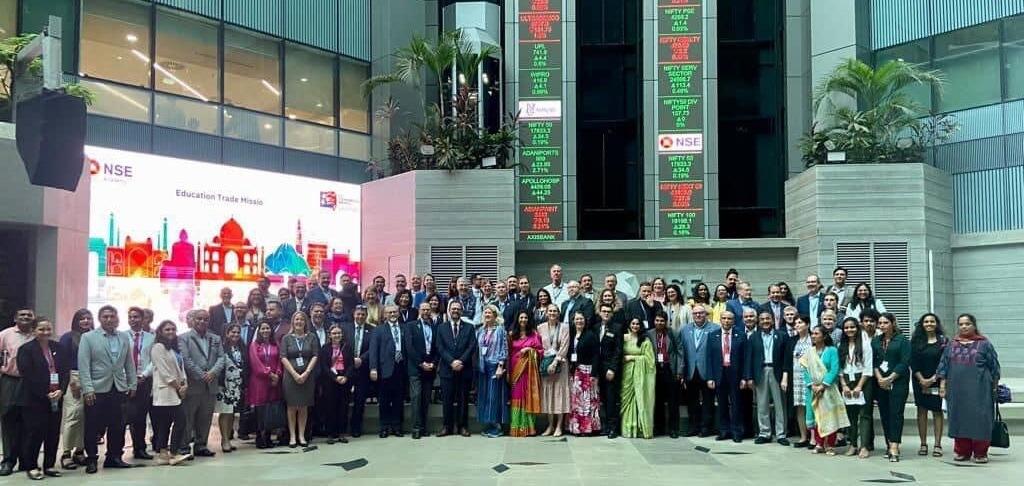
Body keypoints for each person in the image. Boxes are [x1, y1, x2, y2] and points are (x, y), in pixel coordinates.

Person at [78, 306, 137, 473]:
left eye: (112, 316)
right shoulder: (88, 337)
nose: (109, 319)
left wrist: (132, 384)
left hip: (118, 387)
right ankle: (92, 459)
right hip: (96, 388)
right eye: (105, 317)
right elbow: (84, 365)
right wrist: (87, 389)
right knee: (93, 426)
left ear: (117, 318)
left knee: (117, 424)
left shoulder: (124, 337)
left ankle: (113, 457)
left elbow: (129, 363)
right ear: (100, 319)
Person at [937, 313, 1001, 464]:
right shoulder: (951, 344)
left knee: (980, 418)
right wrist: (942, 386)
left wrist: (994, 388)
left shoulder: (984, 344)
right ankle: (962, 451)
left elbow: (994, 367)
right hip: (956, 390)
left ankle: (980, 452)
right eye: (961, 324)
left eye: (967, 324)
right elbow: (943, 366)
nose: (964, 327)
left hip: (980, 389)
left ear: (974, 325)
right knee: (959, 418)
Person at [16, 317, 68, 479]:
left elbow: (65, 372)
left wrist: (61, 390)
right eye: (41, 329)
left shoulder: (58, 347)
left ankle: (49, 465)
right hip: (34, 399)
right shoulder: (26, 349)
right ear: (33, 331)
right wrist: (45, 392)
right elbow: (27, 375)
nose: (45, 332)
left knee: (53, 433)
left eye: (48, 329)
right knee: (34, 433)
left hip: (56, 398)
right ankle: (31, 466)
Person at [173, 309, 224, 458]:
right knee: (188, 416)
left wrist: (213, 373)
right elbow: (185, 359)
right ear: (193, 320)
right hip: (193, 384)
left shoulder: (215, 338)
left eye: (206, 319)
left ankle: (201, 445)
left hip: (211, 385)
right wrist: (202, 375)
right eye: (199, 319)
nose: (202, 322)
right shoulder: (183, 338)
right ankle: (183, 446)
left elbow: (222, 357)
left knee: (206, 416)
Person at [148, 320, 191, 466]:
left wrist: (184, 384)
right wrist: (179, 387)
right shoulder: (158, 348)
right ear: (160, 332)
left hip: (177, 389)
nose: (171, 332)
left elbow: (181, 369)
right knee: (180, 420)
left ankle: (163, 454)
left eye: (173, 329)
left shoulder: (174, 349)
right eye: (167, 329)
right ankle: (174, 452)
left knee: (165, 423)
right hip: (166, 391)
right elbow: (165, 373)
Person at [744, 311, 790, 446]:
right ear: (759, 321)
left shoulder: (782, 336)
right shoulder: (754, 337)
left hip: (777, 372)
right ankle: (764, 433)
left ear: (772, 320)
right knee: (762, 404)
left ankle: (781, 434)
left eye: (768, 318)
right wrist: (749, 377)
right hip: (760, 371)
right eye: (762, 319)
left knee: (779, 404)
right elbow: (749, 358)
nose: (765, 321)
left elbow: (786, 358)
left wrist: (785, 376)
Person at [800, 325, 848, 455]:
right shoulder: (809, 352)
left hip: (828, 389)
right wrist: (813, 386)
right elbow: (804, 368)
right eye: (812, 334)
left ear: (824, 336)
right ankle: (819, 443)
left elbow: (834, 369)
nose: (813, 336)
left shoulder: (832, 350)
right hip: (813, 390)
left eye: (816, 333)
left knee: (830, 416)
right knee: (816, 416)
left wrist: (823, 385)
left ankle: (831, 445)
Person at [0, 307, 36, 476]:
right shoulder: (5, 335)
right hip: (10, 380)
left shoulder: (37, 335)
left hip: (31, 383)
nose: (26, 317)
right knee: (8, 419)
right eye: (22, 315)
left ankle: (26, 460)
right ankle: (8, 460)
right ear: (15, 318)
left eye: (29, 315)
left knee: (28, 421)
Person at [872, 312, 910, 462]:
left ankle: (895, 445)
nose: (882, 326)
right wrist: (880, 378)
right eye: (880, 323)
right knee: (885, 414)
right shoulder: (876, 341)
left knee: (896, 413)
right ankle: (889, 442)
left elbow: (905, 361)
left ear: (893, 323)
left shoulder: (902, 340)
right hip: (880, 382)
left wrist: (890, 378)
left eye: (885, 323)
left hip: (898, 381)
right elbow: (874, 362)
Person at [58, 309, 92, 470]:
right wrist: (71, 382)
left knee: (86, 418)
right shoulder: (67, 338)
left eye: (88, 318)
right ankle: (65, 453)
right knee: (73, 415)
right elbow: (62, 363)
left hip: (92, 378)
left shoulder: (94, 336)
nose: (86, 321)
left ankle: (79, 451)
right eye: (82, 318)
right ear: (76, 321)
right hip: (73, 378)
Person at [437, 301, 476, 437]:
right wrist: (452, 361)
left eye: (458, 309)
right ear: (449, 310)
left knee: (463, 399)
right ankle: (446, 427)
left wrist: (460, 361)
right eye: (453, 308)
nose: (455, 311)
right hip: (447, 370)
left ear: (462, 311)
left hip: (464, 369)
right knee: (447, 400)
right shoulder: (441, 328)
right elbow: (440, 347)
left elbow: (472, 346)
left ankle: (462, 426)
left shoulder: (470, 328)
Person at [910, 313, 946, 458]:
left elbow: (945, 362)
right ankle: (923, 444)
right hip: (919, 380)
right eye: (926, 321)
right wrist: (922, 380)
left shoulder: (943, 341)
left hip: (937, 380)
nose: (929, 324)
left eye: (932, 321)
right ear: (922, 324)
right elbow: (912, 362)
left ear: (936, 323)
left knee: (937, 412)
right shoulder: (915, 341)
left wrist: (932, 379)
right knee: (922, 411)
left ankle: (937, 445)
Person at [281, 311, 319, 446]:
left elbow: (315, 355)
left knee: (303, 406)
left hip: (307, 377)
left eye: (302, 319)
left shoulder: (312, 337)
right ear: (293, 322)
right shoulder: (286, 338)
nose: (299, 322)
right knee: (291, 407)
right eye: (296, 319)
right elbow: (283, 357)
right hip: (291, 378)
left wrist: (307, 372)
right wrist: (295, 374)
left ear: (305, 322)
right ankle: (292, 436)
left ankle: (302, 435)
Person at [707, 311, 746, 442]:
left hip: (735, 374)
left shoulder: (741, 336)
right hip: (719, 373)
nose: (726, 321)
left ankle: (736, 431)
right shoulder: (712, 335)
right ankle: (724, 430)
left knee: (736, 404)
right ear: (720, 320)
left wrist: (744, 378)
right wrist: (710, 377)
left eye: (729, 319)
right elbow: (709, 358)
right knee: (722, 403)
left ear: (734, 321)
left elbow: (745, 358)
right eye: (724, 318)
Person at [680, 304, 719, 437]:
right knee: (692, 402)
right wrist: (682, 372)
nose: (698, 315)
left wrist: (714, 374)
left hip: (708, 371)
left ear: (706, 314)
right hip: (691, 371)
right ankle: (693, 427)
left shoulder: (715, 329)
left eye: (701, 313)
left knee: (708, 401)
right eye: (695, 313)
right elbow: (682, 352)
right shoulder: (685, 329)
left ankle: (706, 428)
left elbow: (716, 353)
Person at [837, 316, 873, 457]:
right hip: (847, 380)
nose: (849, 330)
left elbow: (868, 368)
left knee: (864, 414)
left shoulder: (865, 344)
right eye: (846, 328)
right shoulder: (842, 346)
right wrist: (844, 385)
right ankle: (853, 444)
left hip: (863, 380)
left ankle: (864, 446)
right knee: (850, 415)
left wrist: (859, 386)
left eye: (852, 327)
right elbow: (840, 368)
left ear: (857, 328)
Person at [369, 305, 405, 438]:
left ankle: (396, 426)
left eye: (395, 312)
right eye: (390, 312)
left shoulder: (404, 328)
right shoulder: (379, 330)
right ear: (385, 315)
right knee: (384, 401)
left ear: (399, 313)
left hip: (401, 368)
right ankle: (384, 427)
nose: (392, 314)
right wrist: (373, 368)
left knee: (398, 400)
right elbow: (373, 351)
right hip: (385, 369)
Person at [247, 320, 283, 449]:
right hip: (259, 382)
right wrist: (269, 374)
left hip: (274, 383)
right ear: (259, 330)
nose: (265, 331)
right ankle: (259, 437)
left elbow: (280, 360)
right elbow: (255, 363)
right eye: (262, 328)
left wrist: (277, 374)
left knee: (271, 408)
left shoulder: (275, 344)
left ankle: (268, 437)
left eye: (267, 328)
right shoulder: (254, 345)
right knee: (260, 410)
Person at [125, 307, 155, 461]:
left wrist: (143, 375)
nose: (133, 320)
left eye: (136, 317)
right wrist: (128, 377)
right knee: (127, 416)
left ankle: (140, 449)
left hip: (144, 380)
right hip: (125, 382)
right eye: (130, 317)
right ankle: (116, 450)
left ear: (143, 319)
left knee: (140, 417)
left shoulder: (151, 337)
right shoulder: (122, 336)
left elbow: (153, 359)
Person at [647, 310, 682, 438]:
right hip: (655, 370)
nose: (659, 323)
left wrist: (679, 371)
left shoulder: (673, 333)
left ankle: (674, 429)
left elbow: (680, 352)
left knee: (673, 402)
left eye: (662, 321)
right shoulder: (649, 334)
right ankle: (659, 428)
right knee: (657, 401)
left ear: (666, 322)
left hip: (670, 369)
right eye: (657, 320)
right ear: (654, 321)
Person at [475, 305, 509, 438]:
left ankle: (497, 426)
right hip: (483, 367)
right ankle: (488, 424)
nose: (487, 315)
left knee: (494, 397)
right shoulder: (481, 330)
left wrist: (501, 365)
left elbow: (504, 348)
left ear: (495, 315)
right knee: (485, 396)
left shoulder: (500, 330)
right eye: (485, 313)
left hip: (495, 366)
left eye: (490, 313)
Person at [508, 311, 543, 437]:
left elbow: (540, 351)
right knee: (516, 396)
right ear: (517, 319)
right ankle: (516, 427)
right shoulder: (512, 335)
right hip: (515, 369)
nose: (523, 319)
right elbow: (508, 352)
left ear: (529, 319)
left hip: (529, 371)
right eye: (521, 317)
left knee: (527, 397)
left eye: (525, 317)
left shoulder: (534, 334)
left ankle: (529, 428)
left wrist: (529, 349)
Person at [405, 303, 436, 439]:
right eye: (423, 309)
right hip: (416, 368)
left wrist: (433, 363)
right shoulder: (411, 326)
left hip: (430, 369)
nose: (426, 311)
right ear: (419, 311)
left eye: (428, 310)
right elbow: (409, 347)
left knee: (426, 399)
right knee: (416, 397)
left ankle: (424, 427)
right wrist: (420, 363)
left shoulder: (435, 327)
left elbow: (437, 347)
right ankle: (416, 428)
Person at [538, 304, 570, 437]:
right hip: (546, 365)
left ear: (559, 313)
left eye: (555, 311)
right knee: (548, 395)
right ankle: (550, 425)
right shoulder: (540, 327)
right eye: (550, 311)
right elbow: (539, 346)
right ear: (546, 313)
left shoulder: (564, 327)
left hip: (560, 365)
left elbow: (565, 345)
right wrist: (546, 362)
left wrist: (555, 362)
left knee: (559, 394)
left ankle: (559, 426)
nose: (552, 313)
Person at [620, 317, 655, 439]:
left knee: (639, 398)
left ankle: (640, 428)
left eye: (637, 324)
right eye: (633, 323)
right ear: (629, 325)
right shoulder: (623, 338)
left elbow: (650, 361)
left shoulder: (645, 340)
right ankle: (627, 429)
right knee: (627, 400)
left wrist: (632, 358)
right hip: (626, 374)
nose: (635, 326)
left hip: (641, 376)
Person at [567, 311, 601, 436]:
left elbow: (596, 355)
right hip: (576, 371)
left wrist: (593, 374)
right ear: (573, 321)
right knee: (577, 401)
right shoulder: (572, 335)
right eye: (577, 319)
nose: (579, 321)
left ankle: (587, 428)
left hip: (587, 371)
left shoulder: (591, 335)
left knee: (587, 401)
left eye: (581, 319)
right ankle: (576, 427)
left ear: (585, 321)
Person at [317, 325, 352, 444]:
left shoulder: (347, 347)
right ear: (330, 335)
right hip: (330, 381)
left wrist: (346, 376)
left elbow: (351, 364)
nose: (337, 335)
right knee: (330, 407)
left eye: (339, 333)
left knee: (343, 407)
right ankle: (331, 434)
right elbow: (324, 366)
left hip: (344, 380)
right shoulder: (325, 348)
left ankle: (342, 433)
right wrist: (335, 377)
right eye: (334, 333)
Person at [216, 323, 247, 453]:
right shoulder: (221, 348)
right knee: (225, 411)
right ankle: (224, 440)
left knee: (232, 412)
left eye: (237, 332)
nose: (235, 334)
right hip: (224, 384)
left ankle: (228, 438)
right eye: (232, 332)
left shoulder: (242, 348)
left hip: (237, 384)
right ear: (227, 333)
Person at [344, 306, 373, 438]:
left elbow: (373, 348)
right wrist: (351, 360)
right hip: (347, 369)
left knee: (360, 401)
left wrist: (361, 359)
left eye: (363, 314)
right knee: (343, 399)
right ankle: (341, 427)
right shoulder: (345, 328)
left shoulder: (372, 330)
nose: (360, 317)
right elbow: (341, 347)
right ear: (353, 315)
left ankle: (356, 427)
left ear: (366, 316)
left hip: (363, 369)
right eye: (358, 314)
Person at [594, 304, 622, 438]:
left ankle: (613, 428)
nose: (606, 313)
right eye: (603, 311)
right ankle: (603, 426)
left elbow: (618, 351)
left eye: (608, 312)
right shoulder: (595, 327)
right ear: (599, 313)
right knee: (602, 399)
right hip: (598, 369)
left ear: (612, 314)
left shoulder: (617, 328)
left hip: (610, 369)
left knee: (611, 399)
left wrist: (612, 368)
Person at [787, 314, 814, 448]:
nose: (797, 325)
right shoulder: (793, 341)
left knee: (813, 406)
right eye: (795, 323)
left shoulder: (813, 339)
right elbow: (788, 360)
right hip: (797, 378)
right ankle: (803, 437)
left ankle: (814, 438)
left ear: (807, 324)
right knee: (800, 407)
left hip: (811, 377)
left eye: (800, 322)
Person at [857, 309, 881, 454]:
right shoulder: (859, 336)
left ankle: (889, 443)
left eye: (872, 321)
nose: (869, 323)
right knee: (866, 411)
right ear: (861, 323)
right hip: (865, 378)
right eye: (866, 321)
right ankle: (867, 442)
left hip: (880, 377)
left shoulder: (881, 336)